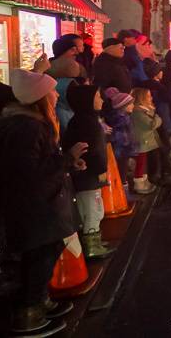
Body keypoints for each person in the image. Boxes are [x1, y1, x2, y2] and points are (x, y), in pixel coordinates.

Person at [0, 69, 88, 335]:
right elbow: (28, 174)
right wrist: (67, 158)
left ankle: (39, 301)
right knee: (39, 257)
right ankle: (29, 314)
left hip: (40, 207)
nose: (56, 93)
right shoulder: (26, 127)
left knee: (43, 255)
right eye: (50, 90)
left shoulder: (29, 123)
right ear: (39, 97)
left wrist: (69, 163)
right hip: (36, 209)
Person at [62, 84, 115, 259]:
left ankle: (95, 241)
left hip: (86, 175)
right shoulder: (87, 123)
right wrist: (101, 169)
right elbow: (93, 151)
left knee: (93, 208)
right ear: (87, 100)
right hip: (88, 176)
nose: (101, 99)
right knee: (92, 210)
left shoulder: (82, 120)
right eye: (97, 96)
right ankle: (92, 247)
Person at [102, 87, 138, 192]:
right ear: (123, 106)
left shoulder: (124, 118)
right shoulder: (121, 120)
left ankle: (124, 192)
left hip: (123, 150)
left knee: (124, 172)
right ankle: (124, 195)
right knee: (122, 173)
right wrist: (129, 147)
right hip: (121, 151)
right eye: (131, 104)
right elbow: (122, 138)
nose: (133, 106)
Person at [131, 87, 163, 191]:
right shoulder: (138, 113)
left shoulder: (143, 111)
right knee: (140, 163)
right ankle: (139, 184)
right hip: (141, 142)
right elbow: (152, 124)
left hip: (144, 142)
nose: (151, 98)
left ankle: (144, 182)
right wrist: (157, 116)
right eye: (148, 96)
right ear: (142, 98)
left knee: (143, 163)